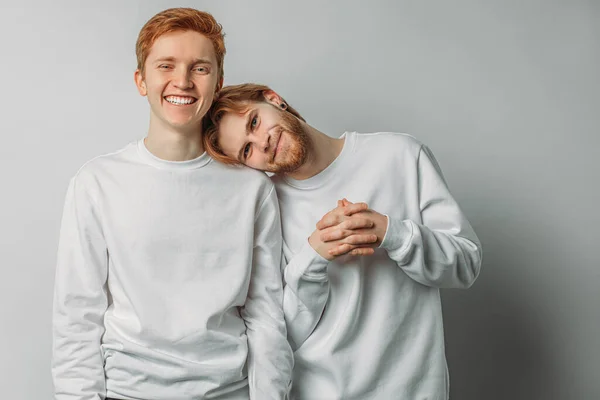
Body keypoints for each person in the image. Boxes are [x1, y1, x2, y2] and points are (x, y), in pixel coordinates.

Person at [52, 11, 292, 400]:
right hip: (127, 392)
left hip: (227, 392)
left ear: (218, 84)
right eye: (166, 66)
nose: (182, 81)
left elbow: (265, 317)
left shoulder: (253, 190)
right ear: (141, 81)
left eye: (199, 68)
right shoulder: (96, 183)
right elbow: (76, 318)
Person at [202, 83, 483, 400]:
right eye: (247, 151)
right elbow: (279, 336)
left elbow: (466, 264)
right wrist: (312, 259)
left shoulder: (400, 155)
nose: (262, 143)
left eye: (254, 122)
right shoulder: (266, 209)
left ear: (273, 99)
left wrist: (393, 233)